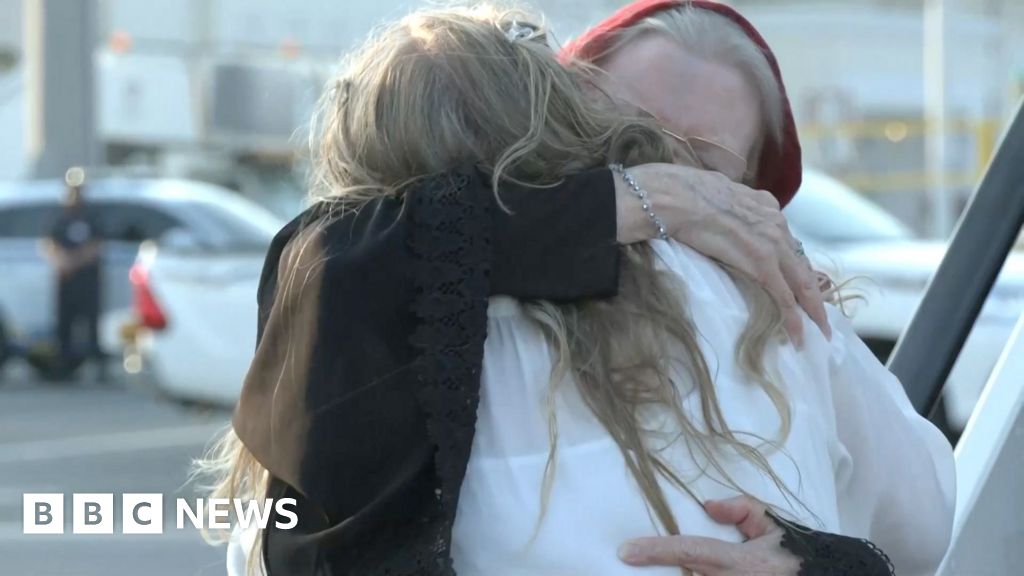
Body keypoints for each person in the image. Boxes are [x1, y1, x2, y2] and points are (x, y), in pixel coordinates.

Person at [199, 4, 954, 576]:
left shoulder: (342, 314)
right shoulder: (367, 288)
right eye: (636, 142)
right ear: (560, 111)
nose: (670, 178)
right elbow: (923, 524)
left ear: (754, 198)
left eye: (708, 173)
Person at [43, 167, 106, 380]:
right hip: (66, 282)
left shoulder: (91, 216)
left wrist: (74, 261)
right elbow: (48, 243)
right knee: (64, 325)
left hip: (87, 281)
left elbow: (96, 245)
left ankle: (97, 367)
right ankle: (64, 367)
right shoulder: (59, 217)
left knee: (91, 324)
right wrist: (62, 261)